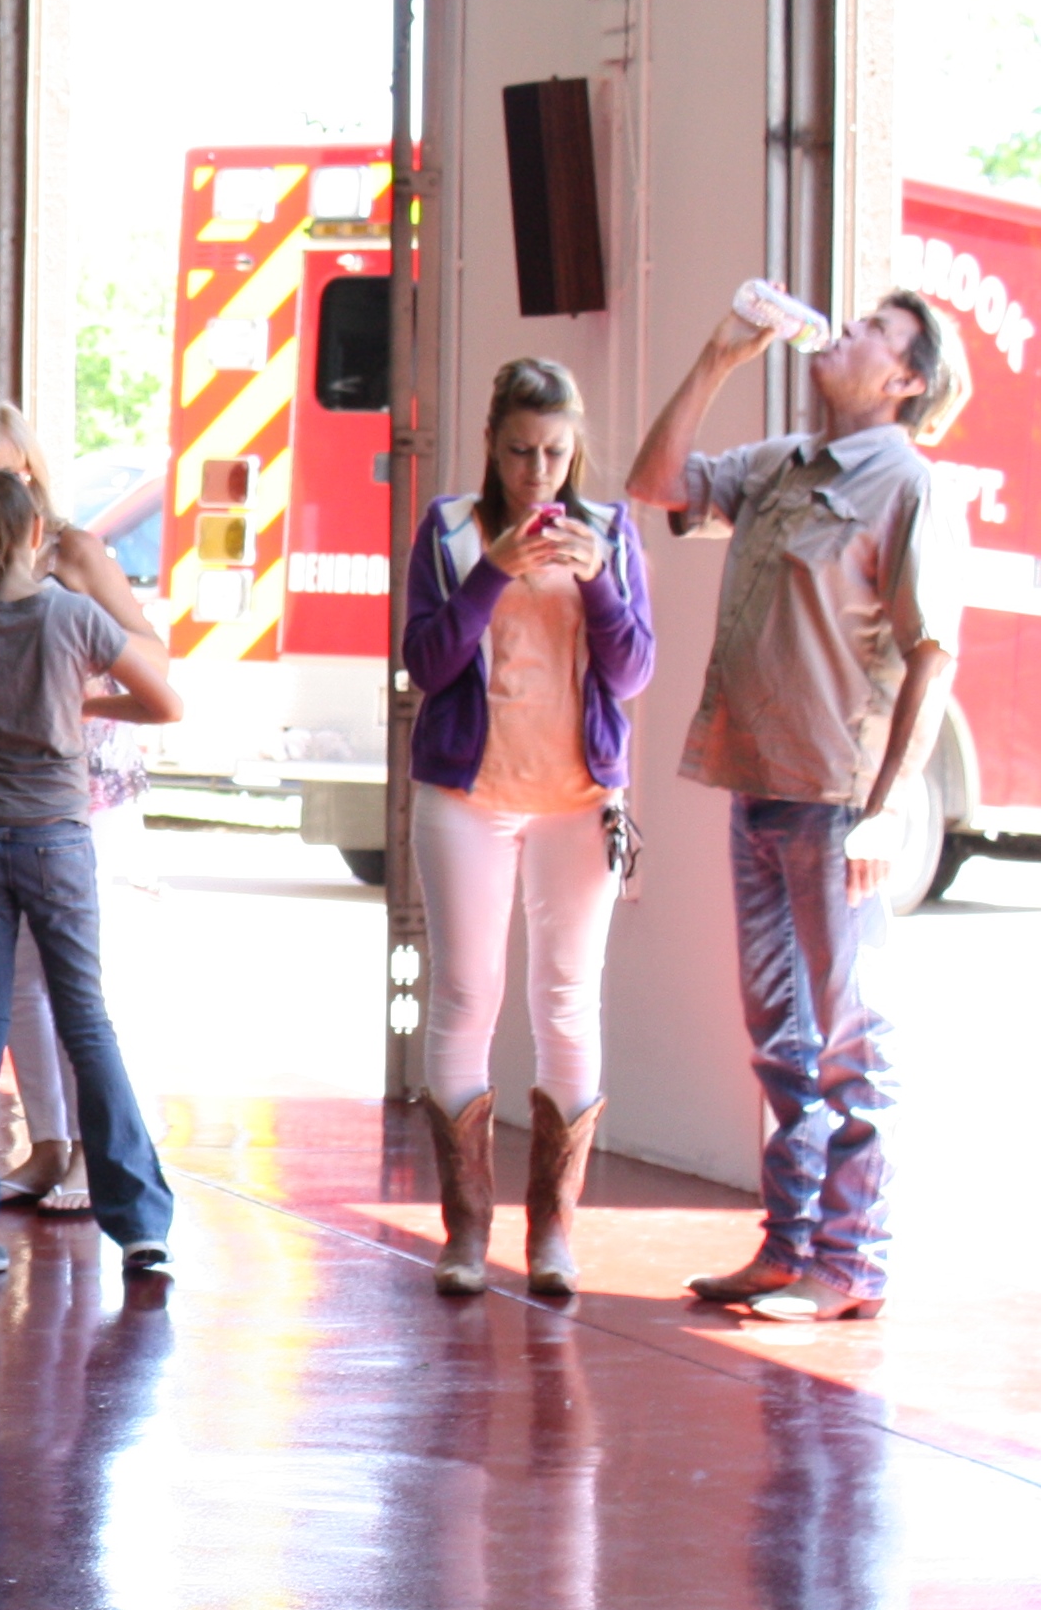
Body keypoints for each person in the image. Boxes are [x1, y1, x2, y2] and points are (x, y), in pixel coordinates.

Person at [625, 287, 968, 1325]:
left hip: (833, 799)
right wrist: (716, 357)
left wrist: (885, 806)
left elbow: (930, 654)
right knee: (781, 1037)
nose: (845, 329)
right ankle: (789, 1246)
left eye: (873, 331)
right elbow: (653, 483)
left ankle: (851, 1263)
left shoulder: (906, 485)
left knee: (851, 1038)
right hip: (758, 782)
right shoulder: (781, 465)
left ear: (903, 380)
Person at [400, 358, 657, 1297]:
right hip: (467, 794)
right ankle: (467, 1232)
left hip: (579, 799)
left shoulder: (611, 534)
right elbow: (427, 662)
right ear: (491, 443)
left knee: (568, 1000)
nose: (538, 471)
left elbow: (633, 673)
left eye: (554, 452)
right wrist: (492, 572)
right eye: (519, 451)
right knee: (467, 993)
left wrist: (597, 584)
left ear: (574, 447)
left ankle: (552, 1234)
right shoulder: (449, 530)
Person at [0, 462, 187, 1282]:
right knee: (86, 1020)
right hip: (57, 840)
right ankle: (139, 1223)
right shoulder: (72, 615)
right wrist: (87, 705)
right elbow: (165, 703)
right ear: (33, 533)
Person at [0, 402, 139, 1215]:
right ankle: (49, 1143)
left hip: (78, 788)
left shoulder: (71, 552)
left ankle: (93, 1159)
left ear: (34, 480)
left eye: (9, 472)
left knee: (67, 986)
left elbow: (148, 650)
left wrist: (82, 700)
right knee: (9, 991)